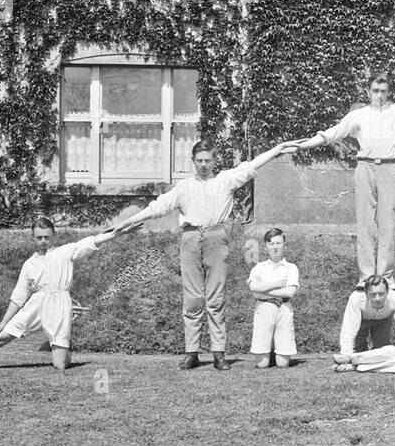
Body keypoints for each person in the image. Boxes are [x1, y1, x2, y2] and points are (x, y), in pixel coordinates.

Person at [110, 138, 295, 371]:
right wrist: (127, 222)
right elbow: (158, 206)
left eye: (208, 160)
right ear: (193, 162)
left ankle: (219, 353)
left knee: (216, 299)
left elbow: (252, 166)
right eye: (199, 161)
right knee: (193, 298)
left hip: (216, 239)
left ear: (215, 161)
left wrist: (277, 148)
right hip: (189, 240)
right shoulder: (184, 187)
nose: (204, 165)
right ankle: (192, 352)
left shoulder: (225, 180)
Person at [293, 73, 395, 285]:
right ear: (368, 92)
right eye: (375, 91)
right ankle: (365, 276)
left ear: (388, 93)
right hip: (365, 168)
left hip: (389, 170)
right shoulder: (359, 115)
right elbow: (332, 133)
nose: (379, 95)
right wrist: (303, 145)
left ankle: (385, 277)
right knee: (365, 224)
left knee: (387, 224)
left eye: (383, 91)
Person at [0, 217, 130, 374]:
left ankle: (65, 350)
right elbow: (18, 297)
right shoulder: (29, 264)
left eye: (47, 237)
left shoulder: (66, 251)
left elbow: (95, 240)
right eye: (39, 238)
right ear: (34, 238)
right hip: (35, 305)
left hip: (59, 305)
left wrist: (120, 232)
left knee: (59, 366)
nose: (43, 241)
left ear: (54, 235)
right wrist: (3, 322)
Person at [248, 226, 299, 369]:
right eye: (271, 244)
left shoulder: (291, 267)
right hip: (264, 308)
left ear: (284, 245)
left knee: (283, 364)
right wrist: (278, 284)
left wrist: (264, 291)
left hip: (284, 308)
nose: (275, 247)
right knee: (262, 364)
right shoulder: (259, 267)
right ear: (265, 247)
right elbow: (253, 287)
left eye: (278, 243)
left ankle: (278, 353)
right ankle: (266, 353)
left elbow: (289, 292)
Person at [339, 274, 395, 356]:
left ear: (387, 291)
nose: (377, 299)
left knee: (382, 353)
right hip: (361, 321)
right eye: (373, 295)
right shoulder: (356, 299)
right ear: (366, 293)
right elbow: (349, 328)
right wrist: (346, 353)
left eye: (381, 294)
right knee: (357, 351)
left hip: (383, 320)